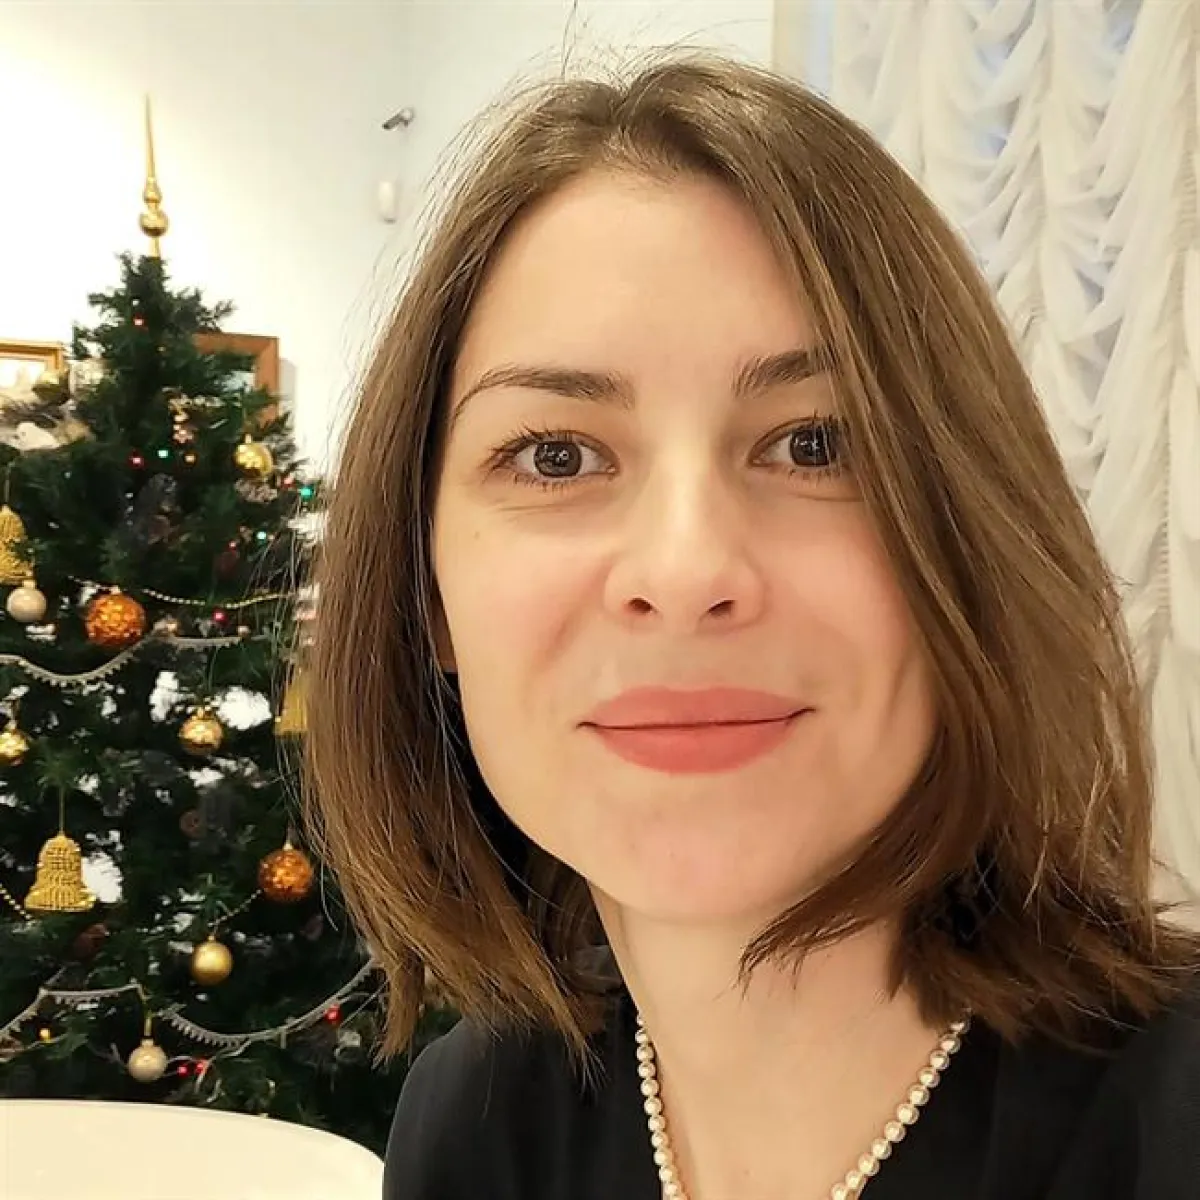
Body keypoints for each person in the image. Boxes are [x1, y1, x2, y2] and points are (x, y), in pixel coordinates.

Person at [303, 53, 1200, 1200]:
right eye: (556, 456)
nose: (686, 572)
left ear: (969, 542)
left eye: (815, 444)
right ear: (426, 596)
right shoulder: (474, 1127)